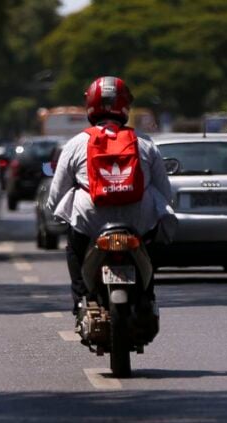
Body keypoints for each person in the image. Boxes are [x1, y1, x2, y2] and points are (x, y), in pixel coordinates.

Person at [47, 76, 177, 323]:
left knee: (73, 248)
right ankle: (148, 296)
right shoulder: (146, 143)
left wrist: (57, 213)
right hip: (138, 222)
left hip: (91, 223)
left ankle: (81, 300)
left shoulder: (76, 144)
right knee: (154, 240)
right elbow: (165, 192)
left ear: (91, 106)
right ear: (125, 106)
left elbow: (56, 195)